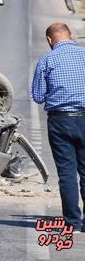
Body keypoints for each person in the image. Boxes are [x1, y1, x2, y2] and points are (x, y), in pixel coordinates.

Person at [31, 22, 85, 232]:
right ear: (70, 36)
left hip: (60, 121)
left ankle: (72, 221)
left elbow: (37, 96)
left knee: (67, 173)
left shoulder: (47, 60)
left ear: (49, 40)